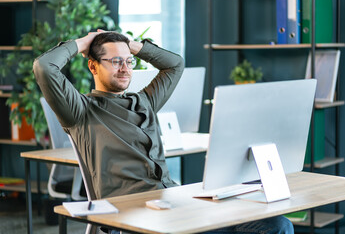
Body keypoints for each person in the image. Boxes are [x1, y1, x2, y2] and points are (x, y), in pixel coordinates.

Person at [33, 30, 294, 234]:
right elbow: (45, 67)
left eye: (129, 61)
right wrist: (85, 41)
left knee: (276, 226)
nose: (125, 68)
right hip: (133, 211)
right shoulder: (81, 110)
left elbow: (175, 65)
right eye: (115, 61)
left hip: (174, 200)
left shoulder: (145, 100)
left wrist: (129, 43)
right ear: (93, 66)